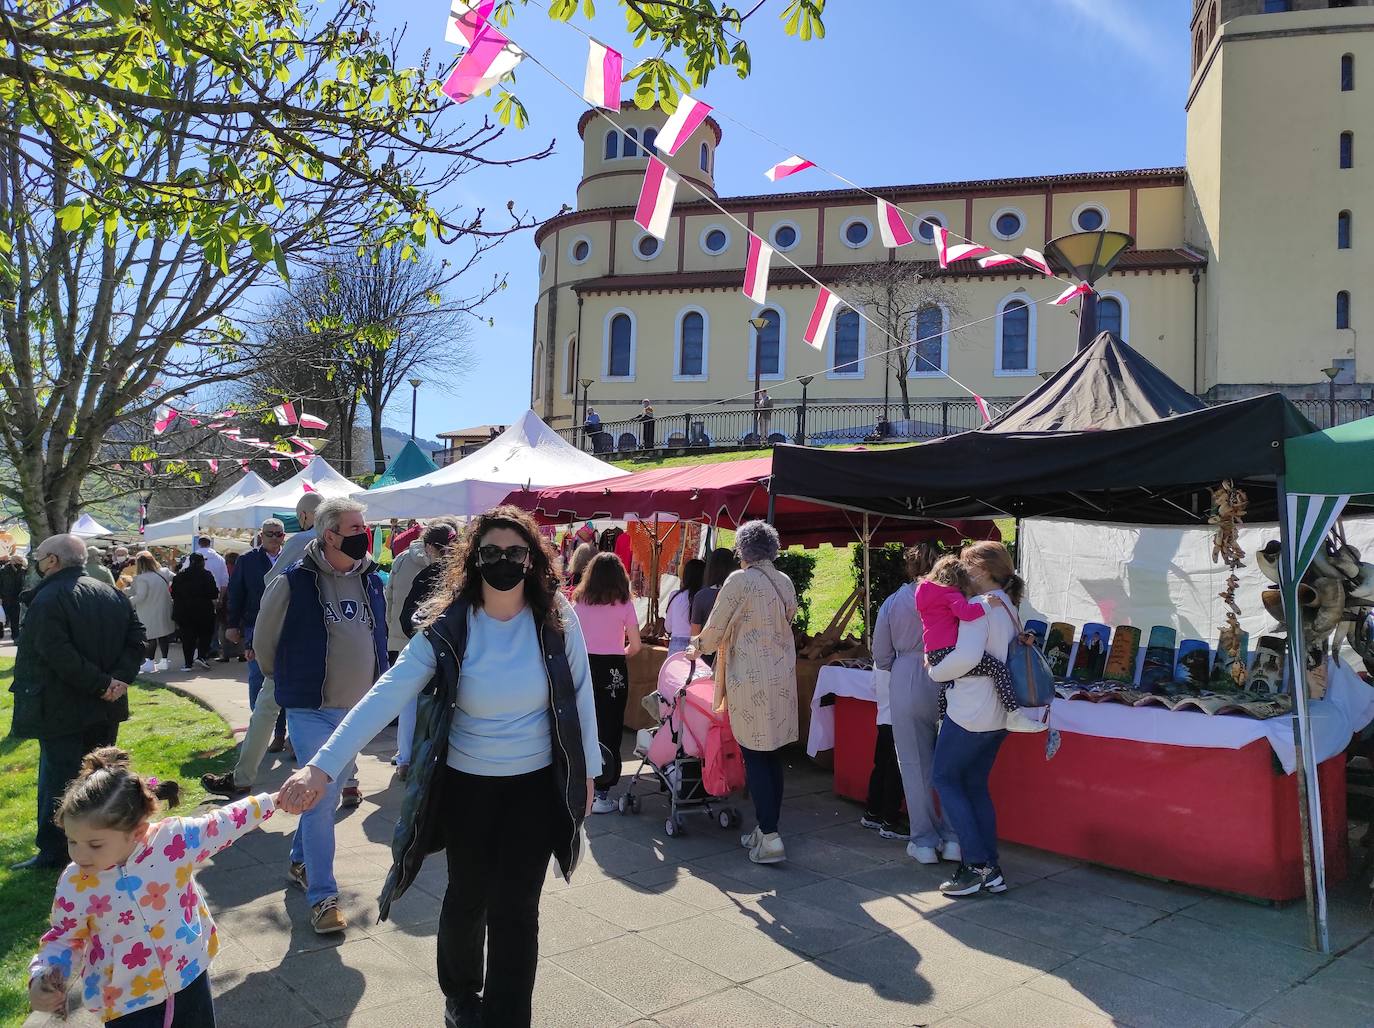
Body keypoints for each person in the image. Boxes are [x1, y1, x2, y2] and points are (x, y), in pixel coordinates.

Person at [277, 506, 600, 1027]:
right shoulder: (450, 626)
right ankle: (461, 998)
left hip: (536, 788)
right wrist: (321, 767)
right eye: (490, 553)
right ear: (472, 560)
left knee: (517, 910)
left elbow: (580, 695)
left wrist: (588, 772)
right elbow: (386, 693)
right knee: (467, 897)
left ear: (532, 559)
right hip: (468, 786)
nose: (503, 562)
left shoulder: (556, 616)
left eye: (514, 553)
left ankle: (508, 1016)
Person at [27, 746, 275, 1026]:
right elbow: (64, 937)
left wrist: (274, 801)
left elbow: (222, 823)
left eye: (95, 844)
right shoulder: (76, 883)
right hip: (125, 1003)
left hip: (188, 975)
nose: (79, 854)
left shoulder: (171, 842)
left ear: (137, 832)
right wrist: (44, 975)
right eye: (72, 841)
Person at [253, 496, 388, 934]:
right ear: (329, 535)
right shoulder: (293, 581)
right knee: (321, 796)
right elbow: (264, 642)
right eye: (354, 530)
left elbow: (378, 635)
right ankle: (323, 898)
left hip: (356, 712)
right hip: (310, 708)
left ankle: (298, 861)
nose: (363, 537)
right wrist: (292, 682)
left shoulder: (371, 580)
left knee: (323, 794)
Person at [8, 533, 145, 870]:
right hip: (103, 703)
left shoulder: (48, 598)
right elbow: (137, 640)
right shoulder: (111, 593)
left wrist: (108, 683)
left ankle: (55, 851)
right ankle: (106, 841)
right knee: (101, 778)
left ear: (52, 561)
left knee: (61, 779)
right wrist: (114, 682)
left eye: (39, 556)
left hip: (62, 707)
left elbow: (56, 653)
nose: (37, 562)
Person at [687, 521, 797, 865]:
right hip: (781, 678)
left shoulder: (739, 581)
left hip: (749, 681)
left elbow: (714, 627)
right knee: (772, 755)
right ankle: (767, 830)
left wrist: (696, 647)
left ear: (743, 550)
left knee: (754, 755)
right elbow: (789, 618)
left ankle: (771, 834)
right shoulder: (784, 581)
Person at [201, 491, 323, 800]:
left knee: (267, 708)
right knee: (334, 713)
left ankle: (242, 777)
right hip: (334, 640)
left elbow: (274, 585)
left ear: (305, 517)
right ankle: (348, 780)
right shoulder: (348, 546)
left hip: (294, 639)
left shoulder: (301, 544)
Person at [927, 540, 1025, 897]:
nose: (962, 573)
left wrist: (936, 671)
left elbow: (967, 657)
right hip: (999, 714)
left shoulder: (979, 606)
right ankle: (990, 867)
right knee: (974, 786)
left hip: (971, 711)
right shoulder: (1009, 607)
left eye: (967, 566)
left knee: (945, 778)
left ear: (982, 571)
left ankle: (975, 867)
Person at [871, 543, 959, 863]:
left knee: (913, 763)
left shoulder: (894, 602)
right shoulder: (954, 597)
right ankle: (953, 837)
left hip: (907, 675)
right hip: (949, 675)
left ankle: (924, 840)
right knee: (950, 762)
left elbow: (881, 656)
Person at [918, 555, 1044, 734]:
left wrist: (933, 665)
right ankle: (1014, 714)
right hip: (953, 661)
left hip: (933, 652)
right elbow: (967, 614)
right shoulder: (953, 595)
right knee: (997, 669)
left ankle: (941, 719)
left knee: (946, 683)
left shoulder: (925, 593)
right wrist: (987, 605)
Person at [573, 553, 642, 814]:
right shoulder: (624, 603)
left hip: (584, 667)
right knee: (610, 728)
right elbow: (635, 646)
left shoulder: (579, 602)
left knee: (582, 726)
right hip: (613, 668)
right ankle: (603, 792)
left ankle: (582, 786)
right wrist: (618, 652)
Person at [225, 519, 288, 748]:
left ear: (284, 536)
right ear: (261, 536)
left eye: (278, 534)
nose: (274, 538)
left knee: (285, 679)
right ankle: (260, 731)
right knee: (258, 678)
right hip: (256, 624)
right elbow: (236, 593)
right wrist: (232, 624)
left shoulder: (291, 557)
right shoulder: (247, 560)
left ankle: (282, 734)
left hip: (287, 625)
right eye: (269, 534)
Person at [400, 522, 459, 638]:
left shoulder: (427, 576)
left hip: (432, 644)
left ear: (429, 547)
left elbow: (407, 620)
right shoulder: (466, 571)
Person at [127, 552, 176, 674]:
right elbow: (176, 578)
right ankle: (164, 661)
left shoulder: (141, 578)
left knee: (150, 637)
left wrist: (126, 602)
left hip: (147, 610)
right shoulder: (164, 572)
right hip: (164, 607)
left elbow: (140, 596)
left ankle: (149, 662)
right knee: (163, 635)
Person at [170, 553, 219, 671]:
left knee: (187, 637)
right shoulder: (207, 575)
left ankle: (188, 663)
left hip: (183, 611)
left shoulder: (179, 576)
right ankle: (201, 656)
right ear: (201, 562)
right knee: (205, 635)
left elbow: (173, 593)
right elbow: (213, 593)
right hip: (203, 610)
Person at [690, 547, 737, 637]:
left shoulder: (701, 596)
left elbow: (695, 634)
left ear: (710, 568)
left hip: (707, 648)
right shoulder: (739, 594)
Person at [663, 557, 705, 655]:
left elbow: (668, 627)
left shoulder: (674, 595)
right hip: (694, 647)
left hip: (675, 646)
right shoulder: (701, 596)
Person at [217, 551, 242, 661]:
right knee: (241, 628)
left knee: (224, 628)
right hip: (240, 601)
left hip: (226, 600)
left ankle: (225, 654)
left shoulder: (224, 570)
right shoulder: (242, 569)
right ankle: (241, 653)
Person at [1, 551, 27, 639]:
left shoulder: (23, 571)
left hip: (17, 598)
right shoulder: (3, 571)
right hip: (5, 597)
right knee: (3, 618)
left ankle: (15, 636)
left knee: (15, 619)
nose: (19, 564)